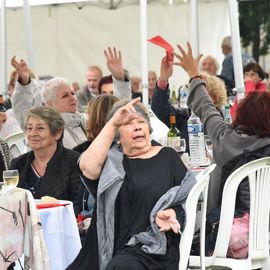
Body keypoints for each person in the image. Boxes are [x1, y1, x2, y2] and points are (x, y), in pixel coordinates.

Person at [67, 98, 196, 270]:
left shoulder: (168, 156)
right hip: (111, 247)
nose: (137, 127)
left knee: (123, 266)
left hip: (154, 246)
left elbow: (187, 199)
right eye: (128, 123)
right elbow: (87, 168)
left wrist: (172, 212)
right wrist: (113, 123)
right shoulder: (111, 163)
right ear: (118, 136)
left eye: (141, 122)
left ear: (148, 129)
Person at [173, 41, 270, 212]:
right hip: (265, 229)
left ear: (242, 114)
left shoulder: (225, 138)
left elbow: (205, 107)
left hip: (224, 229)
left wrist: (194, 74)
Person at [10, 106, 83, 215]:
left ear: (57, 133)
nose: (32, 134)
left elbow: (78, 204)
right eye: (29, 128)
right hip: (24, 228)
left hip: (60, 226)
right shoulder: (18, 163)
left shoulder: (74, 161)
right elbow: (9, 203)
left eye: (40, 128)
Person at [151, 54, 227, 153]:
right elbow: (159, 108)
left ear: (215, 96)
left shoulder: (226, 120)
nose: (196, 98)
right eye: (193, 94)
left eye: (201, 94)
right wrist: (163, 79)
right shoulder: (184, 117)